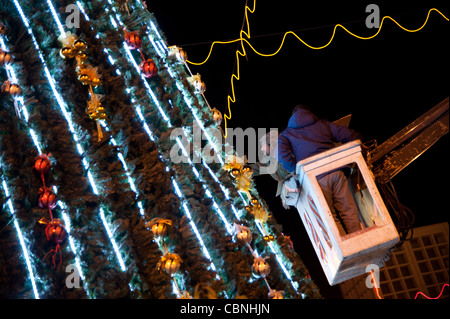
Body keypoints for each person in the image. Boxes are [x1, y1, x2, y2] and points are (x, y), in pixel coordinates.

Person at [277, 104, 363, 234]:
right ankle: (360, 241)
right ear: (308, 113)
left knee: (329, 218)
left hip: (316, 179)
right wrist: (358, 141)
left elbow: (282, 155)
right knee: (348, 210)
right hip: (336, 172)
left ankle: (346, 249)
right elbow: (349, 135)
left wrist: (295, 170)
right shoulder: (322, 124)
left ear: (292, 117)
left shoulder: (286, 135)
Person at [250, 130, 298, 209]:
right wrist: (244, 169)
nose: (262, 149)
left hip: (301, 185)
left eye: (263, 145)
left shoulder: (287, 152)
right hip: (291, 191)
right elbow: (258, 168)